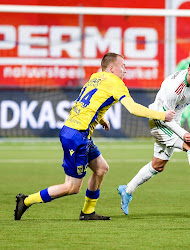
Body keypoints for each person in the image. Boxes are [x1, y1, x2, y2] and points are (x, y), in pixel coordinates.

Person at [14, 52, 175, 221]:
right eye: (123, 66)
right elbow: (133, 108)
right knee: (72, 187)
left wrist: (101, 119)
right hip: (77, 136)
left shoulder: (96, 77)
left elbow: (86, 102)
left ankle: (88, 211)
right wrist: (162, 115)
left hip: (77, 131)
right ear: (112, 68)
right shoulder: (116, 83)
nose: (125, 71)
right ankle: (26, 200)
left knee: (101, 169)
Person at [117, 54, 190, 215]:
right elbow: (164, 117)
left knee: (158, 165)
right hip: (159, 122)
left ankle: (127, 190)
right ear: (189, 70)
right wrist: (183, 134)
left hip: (173, 123)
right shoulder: (173, 88)